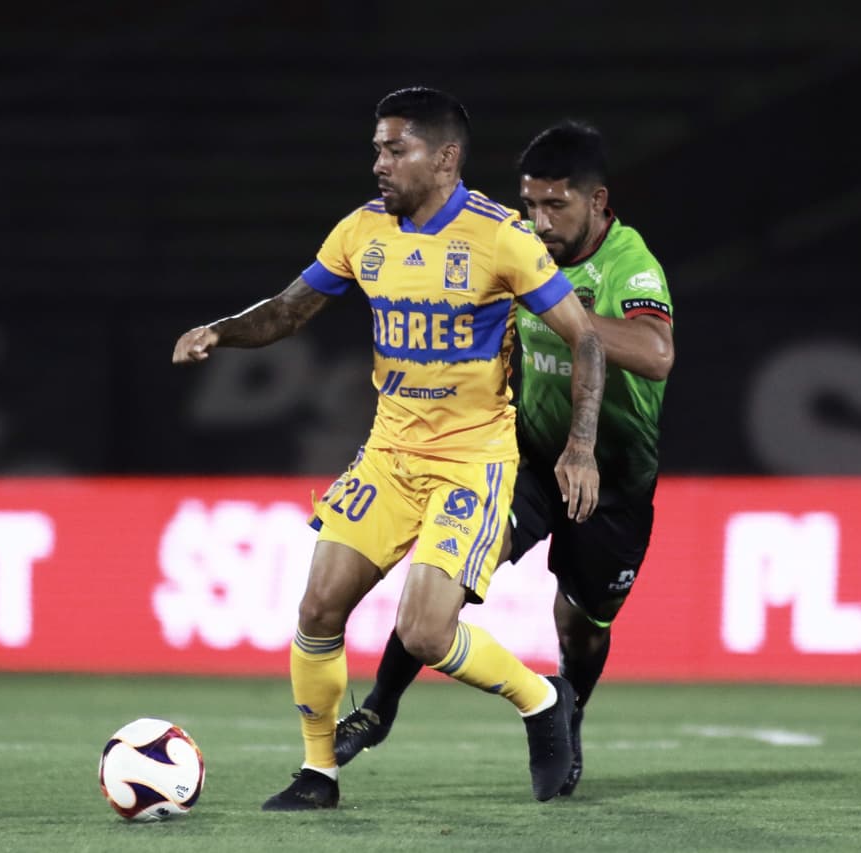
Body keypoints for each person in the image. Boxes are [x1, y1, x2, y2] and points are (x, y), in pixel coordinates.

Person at [173, 89, 607, 810]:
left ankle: (541, 697)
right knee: (318, 608)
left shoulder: (500, 237)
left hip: (471, 460)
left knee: (427, 633)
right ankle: (318, 773)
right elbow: (288, 310)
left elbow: (585, 338)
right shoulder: (361, 231)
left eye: (395, 149)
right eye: (377, 148)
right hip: (389, 455)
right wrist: (221, 331)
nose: (379, 162)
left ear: (444, 158)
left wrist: (581, 446)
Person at [333, 121, 674, 798]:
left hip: (613, 480)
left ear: (597, 201)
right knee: (446, 570)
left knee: (581, 625)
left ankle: (567, 711)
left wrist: (555, 308)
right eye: (531, 204)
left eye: (557, 206)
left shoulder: (628, 263)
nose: (540, 222)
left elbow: (657, 353)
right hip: (524, 458)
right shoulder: (515, 245)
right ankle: (378, 705)